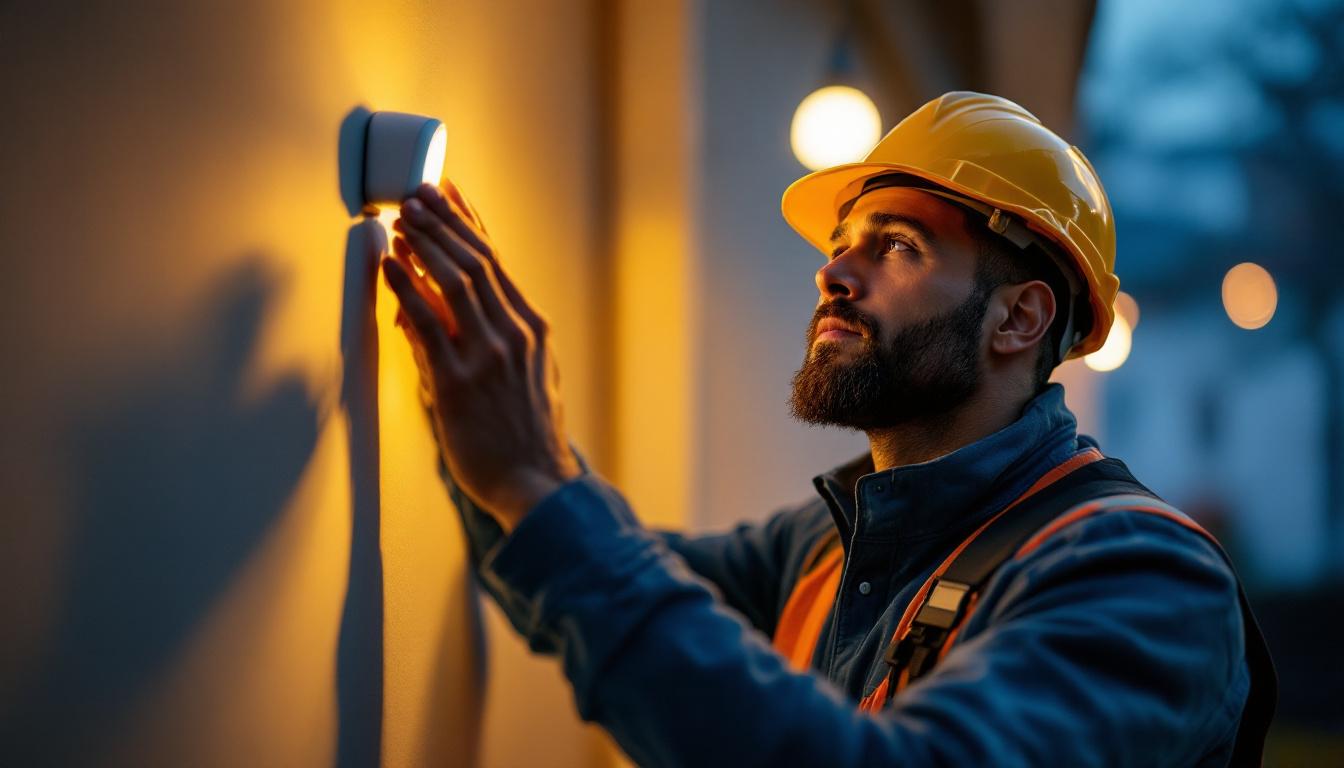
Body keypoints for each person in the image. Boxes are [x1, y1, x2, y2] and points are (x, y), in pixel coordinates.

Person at [380, 92, 1275, 767]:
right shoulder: (831, 542)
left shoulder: (1142, 579)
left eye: (896, 246)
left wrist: (542, 480)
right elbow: (573, 583)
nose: (833, 273)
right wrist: (476, 414)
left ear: (1019, 320)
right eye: (840, 243)